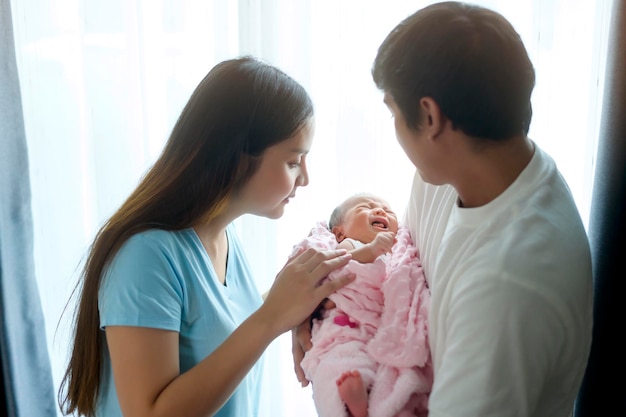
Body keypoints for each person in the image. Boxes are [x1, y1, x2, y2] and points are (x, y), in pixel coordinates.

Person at [293, 3, 593, 417]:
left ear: (430, 117)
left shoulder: (508, 287)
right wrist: (319, 307)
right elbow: (395, 263)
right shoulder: (451, 175)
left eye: (394, 113)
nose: (395, 130)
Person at [57, 56, 356, 417]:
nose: (304, 178)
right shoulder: (145, 257)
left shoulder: (223, 239)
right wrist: (273, 317)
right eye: (294, 161)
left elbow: (216, 326)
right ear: (238, 156)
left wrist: (297, 304)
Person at [295, 193, 431, 417]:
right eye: (366, 207)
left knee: (387, 373)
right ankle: (346, 404)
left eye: (387, 210)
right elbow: (338, 265)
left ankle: (376, 405)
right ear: (340, 232)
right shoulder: (347, 245)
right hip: (343, 327)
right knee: (337, 365)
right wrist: (371, 250)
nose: (380, 211)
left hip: (376, 330)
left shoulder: (398, 252)